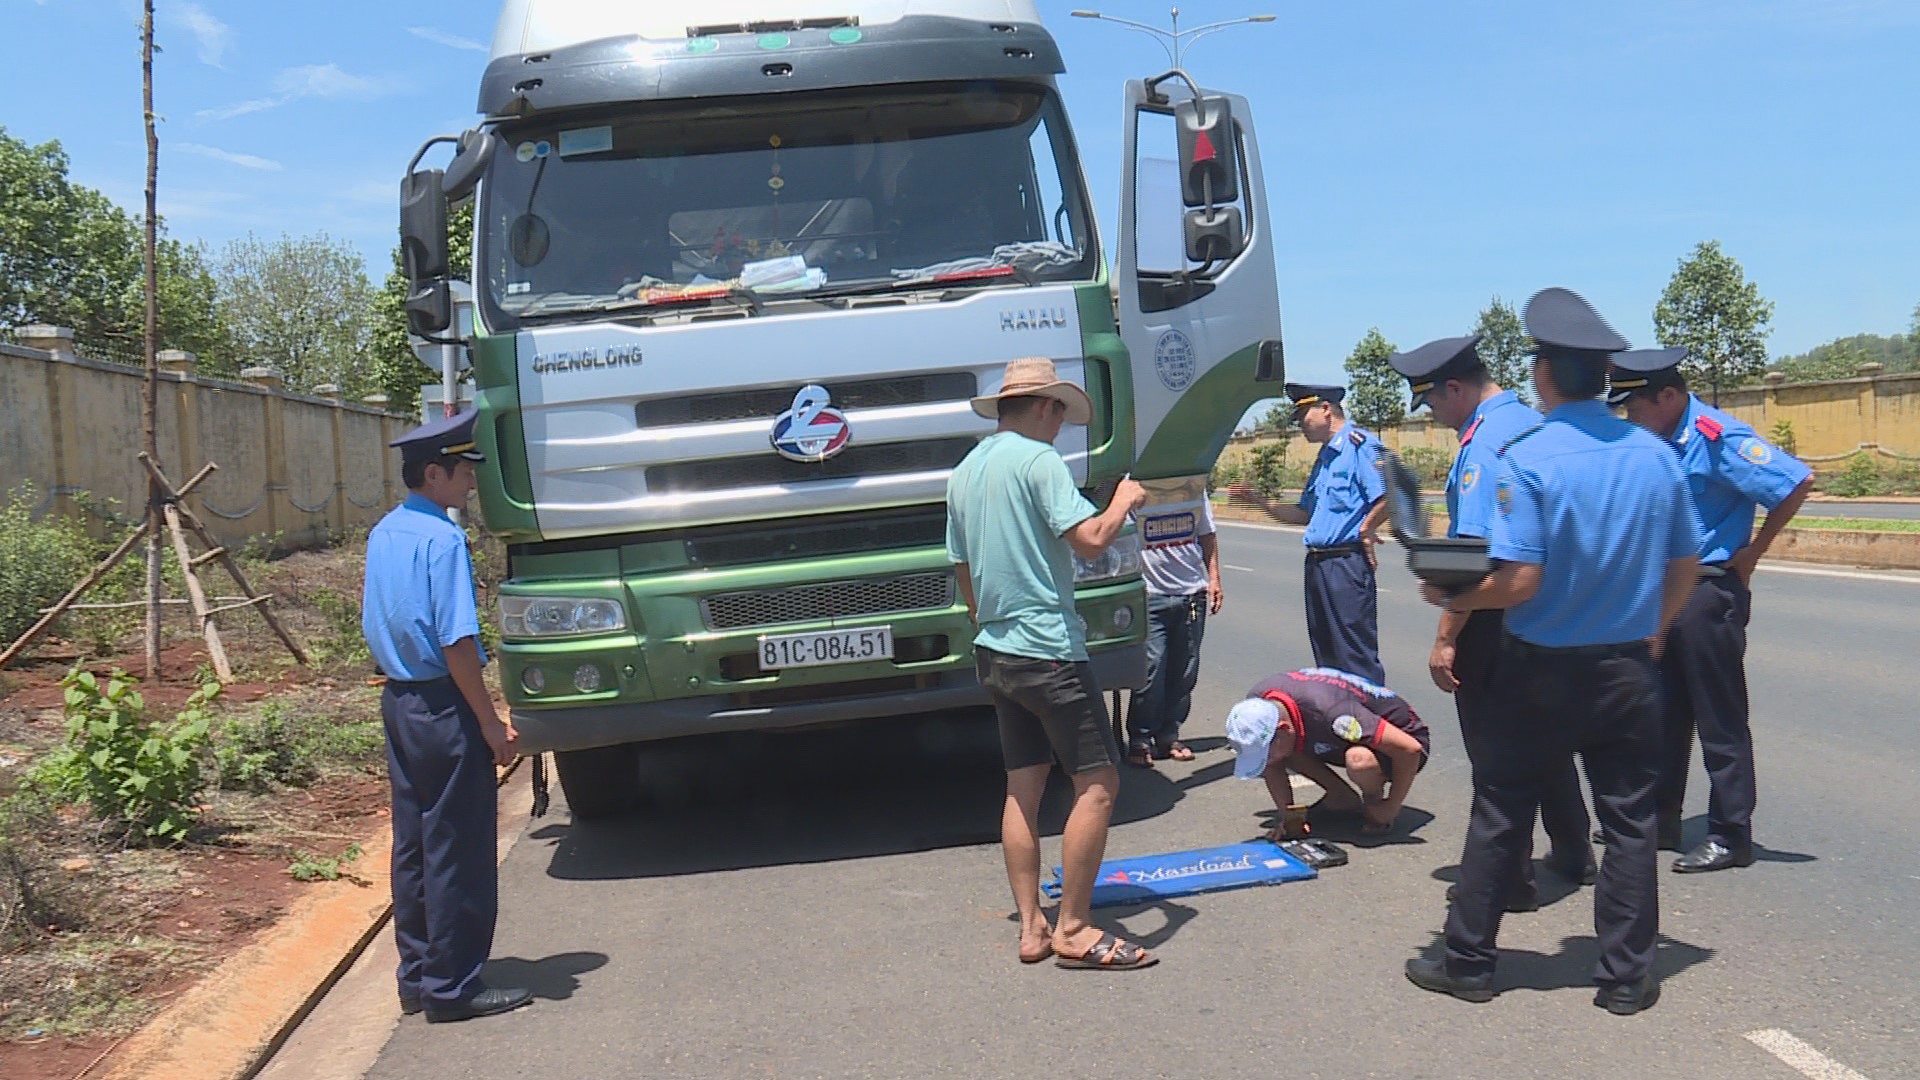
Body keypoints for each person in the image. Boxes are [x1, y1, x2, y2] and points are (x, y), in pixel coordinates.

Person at [1404, 288, 1702, 1016]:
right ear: (1604, 376)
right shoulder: (1653, 456)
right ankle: (1627, 977)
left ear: (1543, 374)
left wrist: (1454, 599)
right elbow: (1687, 564)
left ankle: (1469, 960)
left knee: (1501, 809)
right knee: (1629, 822)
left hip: (1540, 672)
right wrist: (1655, 629)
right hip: (1628, 669)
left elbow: (1521, 578)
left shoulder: (1525, 455)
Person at [946, 356, 1155, 971]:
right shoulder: (1039, 462)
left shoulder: (965, 471)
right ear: (1043, 406)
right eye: (1060, 410)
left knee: (1024, 786)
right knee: (1098, 783)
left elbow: (962, 569)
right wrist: (1123, 501)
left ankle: (1032, 927)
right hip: (1048, 648)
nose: (1062, 423)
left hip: (997, 648)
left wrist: (988, 616)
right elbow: (1090, 539)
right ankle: (1075, 929)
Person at [1389, 335, 1593, 911]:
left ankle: (1508, 880)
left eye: (1431, 402)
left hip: (1497, 617)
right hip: (1550, 617)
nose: (1433, 414)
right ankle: (1574, 854)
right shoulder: (1535, 423)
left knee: (1497, 755)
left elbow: (1479, 557)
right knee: (1546, 741)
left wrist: (1445, 635)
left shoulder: (1481, 447)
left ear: (1455, 388)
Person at [1609, 347, 1813, 871]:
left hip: (1707, 592)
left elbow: (1795, 481)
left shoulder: (1716, 436)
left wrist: (1753, 553)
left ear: (1670, 396)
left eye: (1637, 406)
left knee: (1718, 716)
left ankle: (1730, 833)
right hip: (1665, 591)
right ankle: (1662, 817)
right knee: (1664, 710)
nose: (1631, 416)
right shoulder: (1655, 441)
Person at [361, 409, 531, 1023]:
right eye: (463, 472)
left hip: (399, 703)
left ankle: (418, 977)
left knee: (414, 844)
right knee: (456, 845)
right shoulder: (442, 540)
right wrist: (490, 723)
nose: (471, 485)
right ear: (433, 474)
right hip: (441, 703)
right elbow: (457, 641)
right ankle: (454, 987)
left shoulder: (386, 532)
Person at [1267, 383, 1389, 683]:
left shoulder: (1361, 446)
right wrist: (1259, 502)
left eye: (1303, 415)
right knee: (1328, 657)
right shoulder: (1325, 458)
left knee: (1355, 656)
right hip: (1318, 565)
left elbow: (1391, 493)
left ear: (1325, 409)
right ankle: (1342, 725)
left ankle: (1372, 722)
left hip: (1345, 565)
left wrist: (1366, 528)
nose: (1300, 425)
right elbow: (1302, 514)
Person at [1224, 667, 1432, 835]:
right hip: (1339, 733)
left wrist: (1392, 806)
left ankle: (1375, 802)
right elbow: (1271, 764)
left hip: (1403, 740)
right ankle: (1341, 798)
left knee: (1359, 760)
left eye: (1266, 752)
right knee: (1279, 752)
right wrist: (1289, 818)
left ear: (1283, 729)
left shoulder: (1333, 714)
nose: (1267, 761)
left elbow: (1410, 749)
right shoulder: (1259, 703)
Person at [1125, 491, 1223, 768]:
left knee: (1184, 670)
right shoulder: (1135, 488)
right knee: (1151, 668)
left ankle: (1169, 735)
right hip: (1149, 594)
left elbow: (1208, 535)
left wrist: (1213, 579)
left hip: (1191, 593)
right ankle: (1140, 738)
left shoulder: (1194, 487)